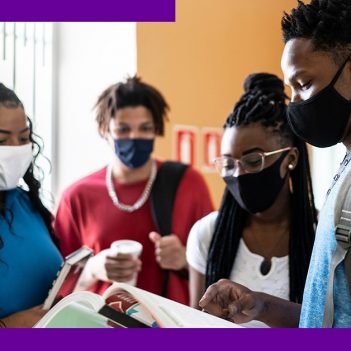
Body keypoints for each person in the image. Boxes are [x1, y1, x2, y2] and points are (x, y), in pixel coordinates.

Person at [199, 0, 351, 328]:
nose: (294, 103)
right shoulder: (344, 174)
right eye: (290, 89)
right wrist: (261, 304)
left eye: (304, 84)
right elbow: (327, 320)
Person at [54, 76, 213, 305]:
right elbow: (59, 289)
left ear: (156, 129)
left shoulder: (188, 183)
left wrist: (185, 261)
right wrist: (93, 268)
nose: (134, 137)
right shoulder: (76, 197)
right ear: (104, 129)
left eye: (145, 128)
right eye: (123, 129)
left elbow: (220, 266)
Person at [186, 73, 317, 326]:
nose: (239, 174)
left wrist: (264, 307)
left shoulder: (324, 235)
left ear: (289, 159)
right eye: (228, 164)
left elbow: (337, 326)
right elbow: (192, 328)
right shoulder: (207, 234)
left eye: (253, 161)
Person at [0, 83, 62, 328]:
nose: (17, 149)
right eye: (2, 140)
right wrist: (9, 328)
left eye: (24, 138)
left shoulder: (27, 204)